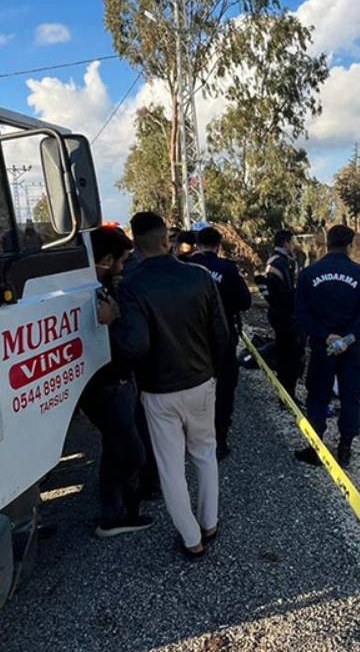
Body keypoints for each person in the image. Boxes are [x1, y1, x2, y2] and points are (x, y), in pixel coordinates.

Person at [114, 212, 233, 558]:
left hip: (158, 391)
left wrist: (113, 322)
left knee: (170, 467)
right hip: (200, 381)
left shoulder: (131, 286)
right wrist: (212, 371)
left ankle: (191, 539)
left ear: (135, 243)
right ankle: (209, 522)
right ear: (166, 239)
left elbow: (135, 346)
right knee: (205, 453)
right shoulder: (198, 277)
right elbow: (221, 335)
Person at [85, 226, 154, 537]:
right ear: (107, 260)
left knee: (114, 447)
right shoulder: (96, 297)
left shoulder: (101, 287)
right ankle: (114, 516)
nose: (125, 268)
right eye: (123, 261)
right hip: (109, 386)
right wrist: (115, 322)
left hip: (111, 384)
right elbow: (116, 343)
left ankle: (114, 509)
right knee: (131, 452)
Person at [294, 225, 360, 467]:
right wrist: (347, 338)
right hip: (351, 349)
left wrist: (326, 336)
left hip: (322, 347)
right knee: (350, 397)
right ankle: (345, 447)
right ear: (350, 245)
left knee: (318, 396)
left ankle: (316, 447)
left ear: (326, 244)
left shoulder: (309, 274)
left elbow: (301, 314)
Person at [187, 225, 252, 459]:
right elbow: (245, 302)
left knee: (193, 386)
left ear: (197, 244)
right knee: (224, 389)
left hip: (190, 339)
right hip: (222, 337)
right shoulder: (227, 269)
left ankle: (193, 436)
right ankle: (219, 438)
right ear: (218, 246)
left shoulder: (183, 267)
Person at [263, 230, 304, 403]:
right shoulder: (280, 263)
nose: (294, 246)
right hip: (285, 316)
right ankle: (287, 396)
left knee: (288, 356)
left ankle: (288, 394)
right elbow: (283, 294)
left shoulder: (281, 262)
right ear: (286, 243)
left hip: (283, 315)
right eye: (292, 242)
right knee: (289, 357)